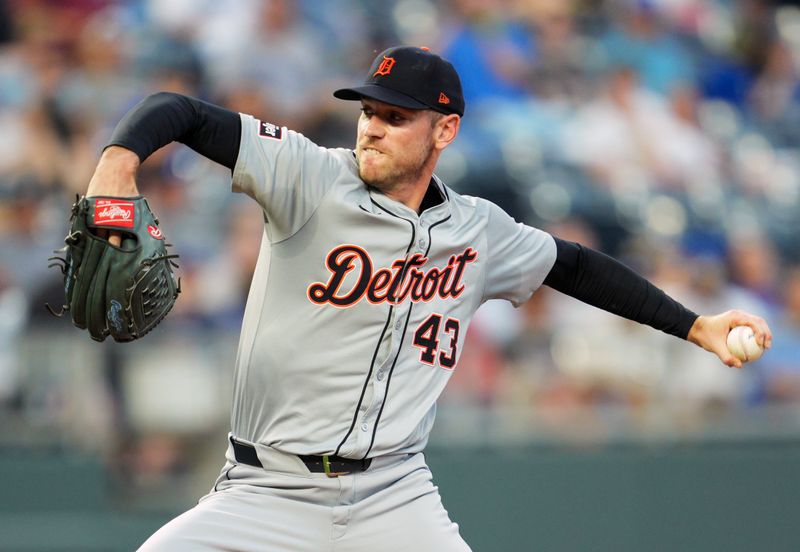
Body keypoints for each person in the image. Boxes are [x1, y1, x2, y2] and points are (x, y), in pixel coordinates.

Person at [85, 46, 771, 551]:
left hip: (394, 497)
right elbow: (177, 112)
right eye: (368, 112)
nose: (371, 128)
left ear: (444, 130)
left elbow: (575, 267)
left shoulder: (478, 230)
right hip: (267, 492)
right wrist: (119, 161)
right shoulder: (307, 178)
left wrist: (696, 325)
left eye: (395, 117)